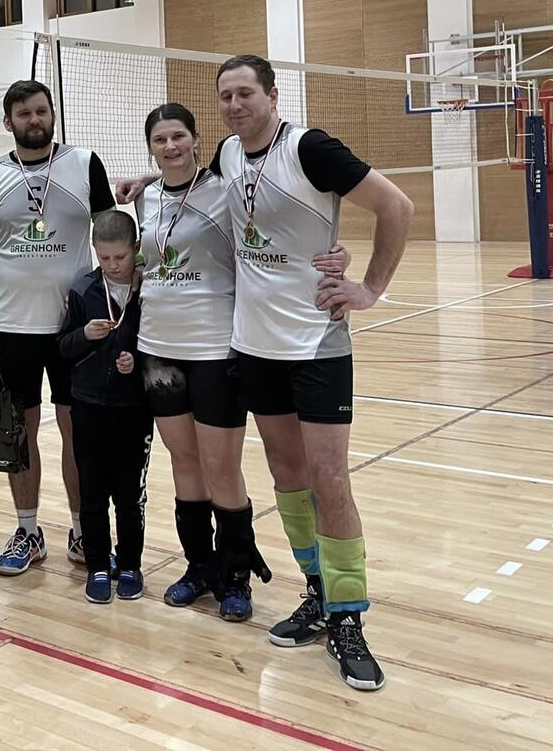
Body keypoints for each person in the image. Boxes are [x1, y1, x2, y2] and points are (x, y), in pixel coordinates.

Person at [212, 54, 414, 692]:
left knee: (329, 477)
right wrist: (144, 178)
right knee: (286, 475)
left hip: (316, 341)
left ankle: (349, 616)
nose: (235, 105)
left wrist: (369, 288)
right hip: (254, 344)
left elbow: (396, 206)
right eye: (226, 96)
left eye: (246, 93)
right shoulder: (226, 154)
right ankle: (319, 592)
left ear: (272, 95)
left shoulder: (310, 148)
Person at [127, 104, 351, 620]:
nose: (170, 147)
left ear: (196, 139)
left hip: (216, 347)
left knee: (220, 466)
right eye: (160, 140)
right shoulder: (145, 199)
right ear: (150, 147)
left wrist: (338, 255)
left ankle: (234, 575)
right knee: (183, 462)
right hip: (158, 346)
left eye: (178, 136)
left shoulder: (226, 190)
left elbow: (276, 234)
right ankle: (199, 567)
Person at [0, 79, 116, 576]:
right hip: (13, 329)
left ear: (52, 114)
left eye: (41, 111)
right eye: (24, 114)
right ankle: (28, 531)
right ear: (8, 122)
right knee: (19, 434)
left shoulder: (85, 164)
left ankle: (82, 529)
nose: (34, 120)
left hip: (78, 328)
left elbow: (112, 236)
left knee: (80, 434)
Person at [57, 211, 154, 605]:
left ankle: (130, 565)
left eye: (121, 257)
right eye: (105, 258)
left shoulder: (149, 291)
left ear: (135, 249)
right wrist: (84, 334)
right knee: (92, 492)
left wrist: (137, 363)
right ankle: (97, 564)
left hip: (133, 408)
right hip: (88, 406)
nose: (113, 265)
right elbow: (63, 347)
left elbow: (161, 344)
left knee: (130, 495)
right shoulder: (83, 290)